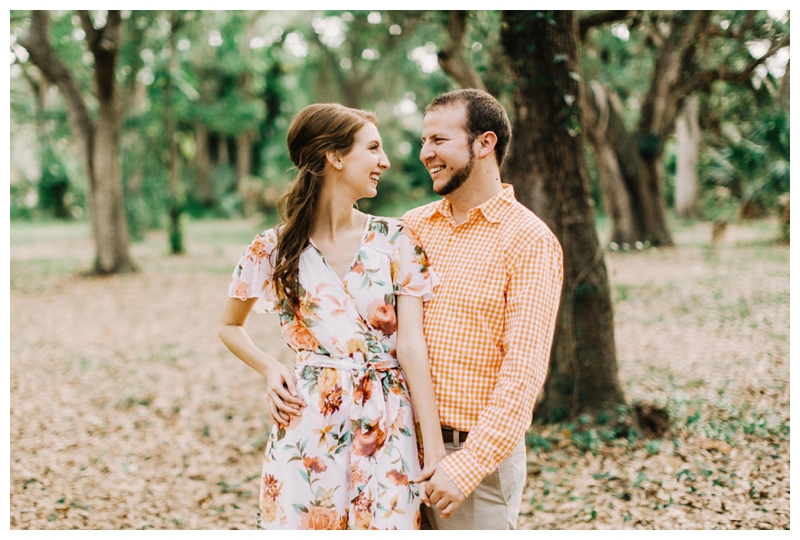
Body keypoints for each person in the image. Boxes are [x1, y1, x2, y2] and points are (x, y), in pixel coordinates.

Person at [218, 103, 446, 530]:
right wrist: (270, 368)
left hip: (387, 422)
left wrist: (432, 449)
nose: (386, 161)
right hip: (308, 426)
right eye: (373, 148)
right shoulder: (272, 248)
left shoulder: (396, 241)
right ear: (335, 157)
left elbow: (412, 347)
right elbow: (229, 325)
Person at [403, 89, 564, 530]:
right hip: (396, 448)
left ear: (484, 143)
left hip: (475, 464)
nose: (425, 153)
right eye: (423, 141)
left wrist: (467, 465)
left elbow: (524, 372)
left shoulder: (529, 241)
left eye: (438, 140)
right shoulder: (411, 228)